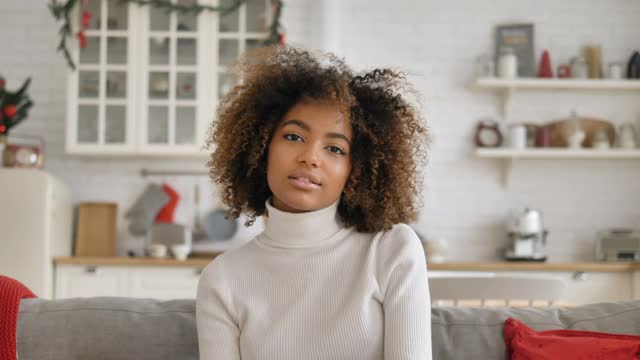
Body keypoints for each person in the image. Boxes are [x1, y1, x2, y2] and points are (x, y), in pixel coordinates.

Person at [196, 46, 432, 360]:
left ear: (356, 168)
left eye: (335, 149)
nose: (310, 157)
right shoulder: (223, 278)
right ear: (262, 145)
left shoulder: (391, 250)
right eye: (293, 137)